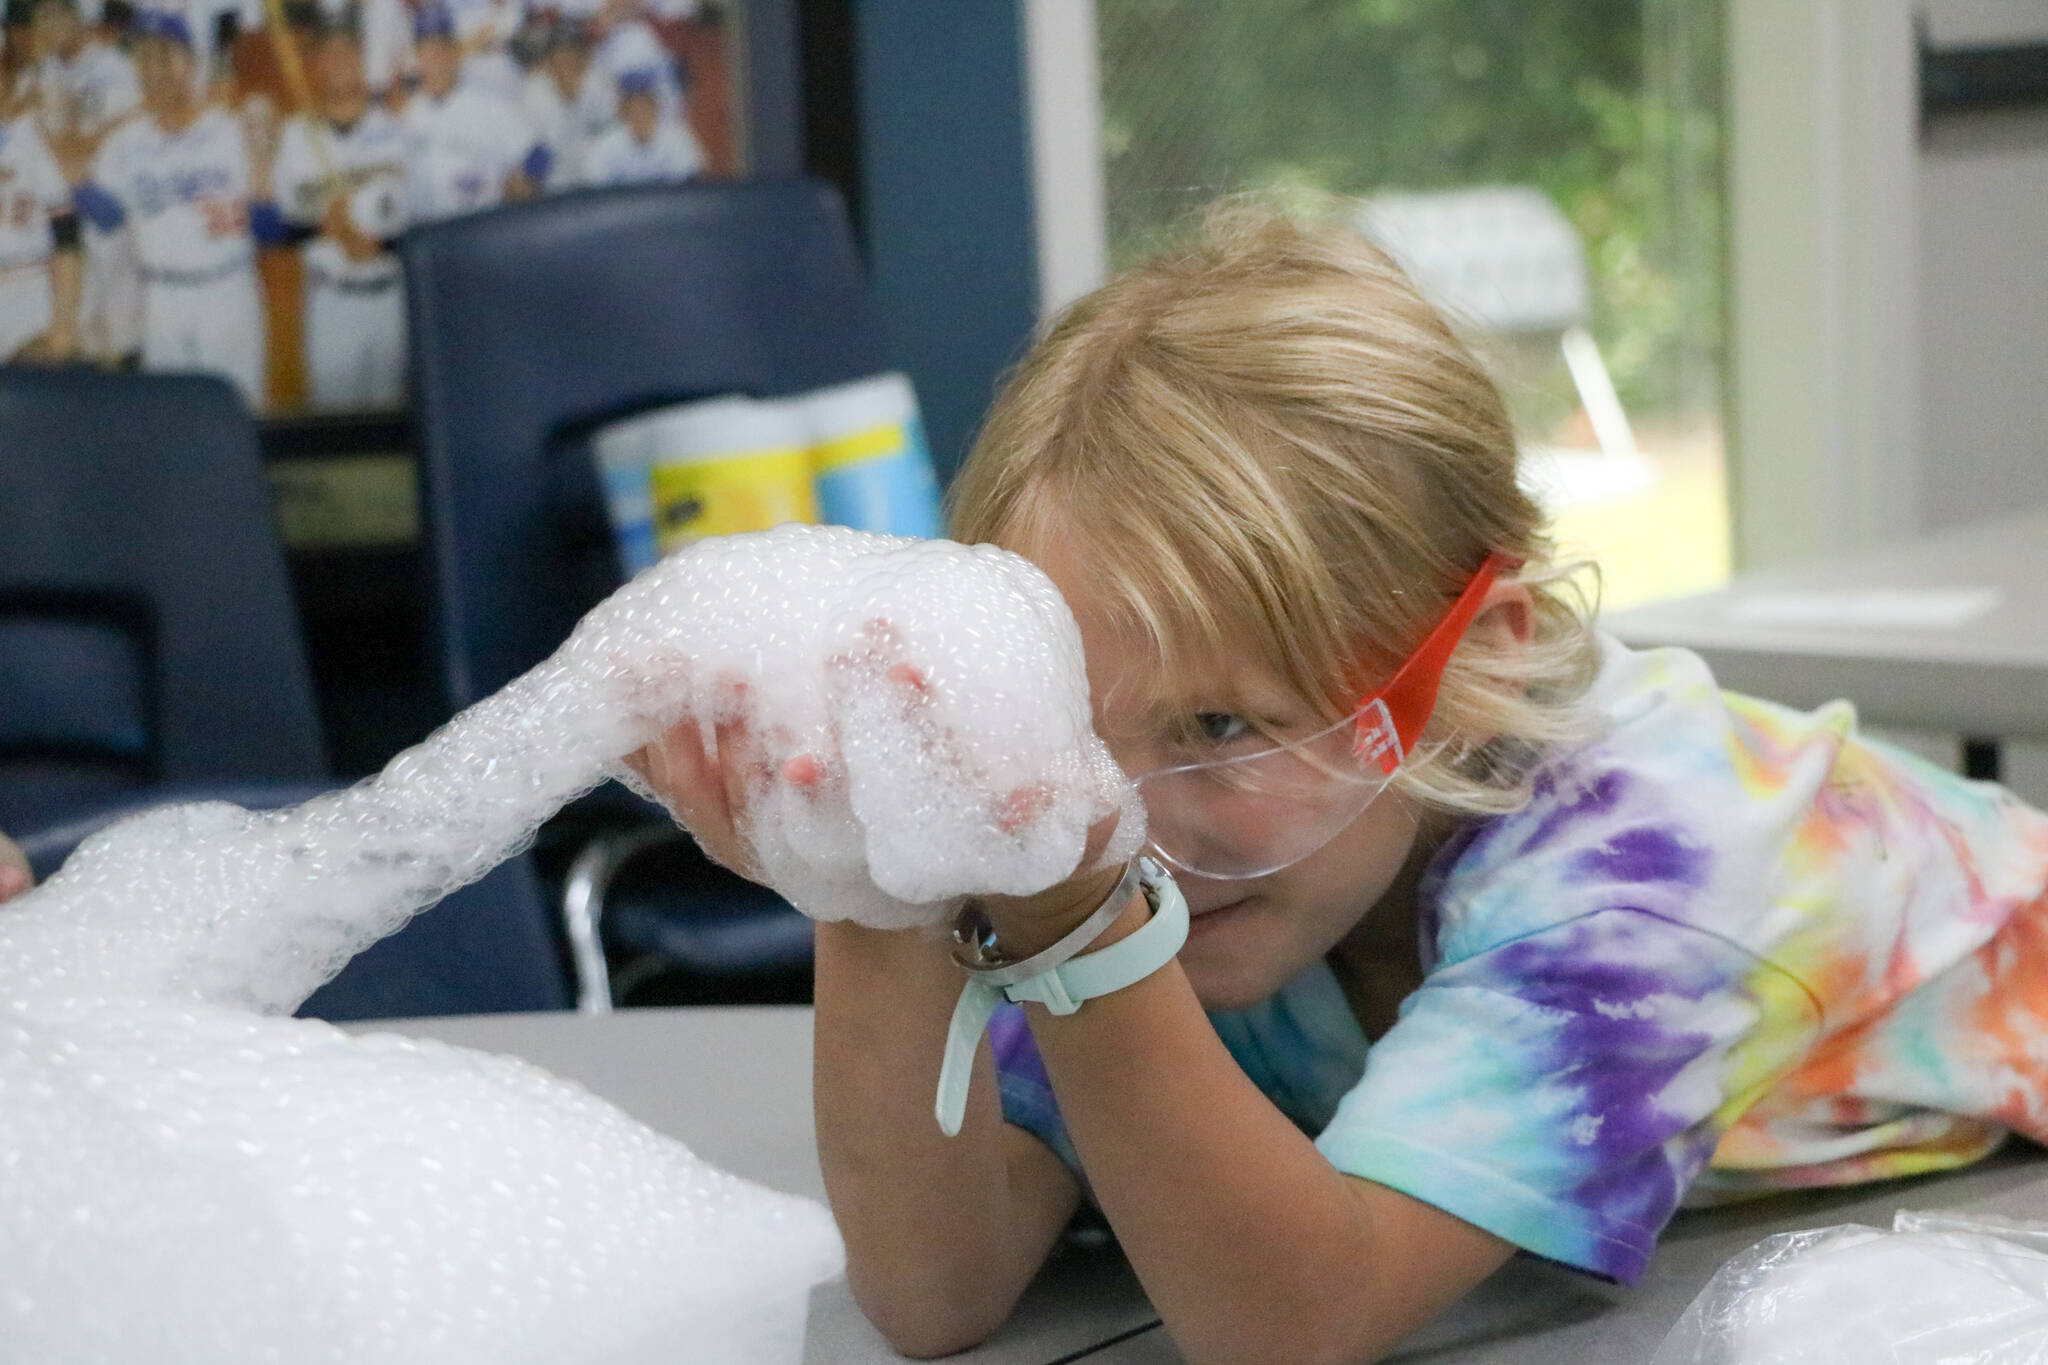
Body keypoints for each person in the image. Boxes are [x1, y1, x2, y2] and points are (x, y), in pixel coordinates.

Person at [624, 201, 2048, 1363]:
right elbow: (939, 1289)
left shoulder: (1656, 868)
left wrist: (1078, 931)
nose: (1127, 818)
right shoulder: (1224, 851)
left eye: (1225, 725)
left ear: (1480, 655)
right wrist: (864, 875)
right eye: (1065, 725)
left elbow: (1296, 1321)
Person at [73, 7, 274, 402]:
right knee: (173, 427)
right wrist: (74, 177)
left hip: (228, 293)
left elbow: (270, 230)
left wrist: (264, 169)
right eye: (144, 57)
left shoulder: (234, 131)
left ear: (192, 62)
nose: (155, 69)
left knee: (239, 418)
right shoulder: (125, 143)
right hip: (162, 300)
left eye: (165, 55)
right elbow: (109, 219)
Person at [273, 20, 406, 408]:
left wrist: (380, 246)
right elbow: (278, 229)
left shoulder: (398, 132)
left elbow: (423, 224)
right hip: (331, 302)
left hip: (391, 300)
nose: (339, 63)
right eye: (329, 54)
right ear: (316, 66)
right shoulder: (296, 136)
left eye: (348, 53)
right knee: (334, 426)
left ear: (363, 63)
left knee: (393, 429)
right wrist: (322, 226)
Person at [15, 0, 139, 362]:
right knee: (72, 325)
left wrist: (75, 145)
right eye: (42, 19)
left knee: (114, 328)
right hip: (56, 204)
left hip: (103, 200)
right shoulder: (35, 75)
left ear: (76, 17)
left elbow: (126, 133)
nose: (47, 27)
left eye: (55, 16)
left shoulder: (115, 68)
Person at [401, 2, 544, 223]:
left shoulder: (488, 104)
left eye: (442, 50)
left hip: (484, 226)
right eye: (428, 51)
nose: (436, 59)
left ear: (456, 53)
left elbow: (539, 156)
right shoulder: (407, 116)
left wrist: (520, 184)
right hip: (431, 233)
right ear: (417, 57)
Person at [0, 107, 81, 359]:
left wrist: (64, 323)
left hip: (26, 287)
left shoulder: (28, 137)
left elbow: (67, 236)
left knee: (32, 394)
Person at [574, 65, 694, 187]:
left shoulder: (677, 139)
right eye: (632, 107)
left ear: (655, 107)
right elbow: (594, 188)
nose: (639, 113)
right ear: (622, 111)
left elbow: (690, 185)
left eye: (644, 105)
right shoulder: (605, 145)